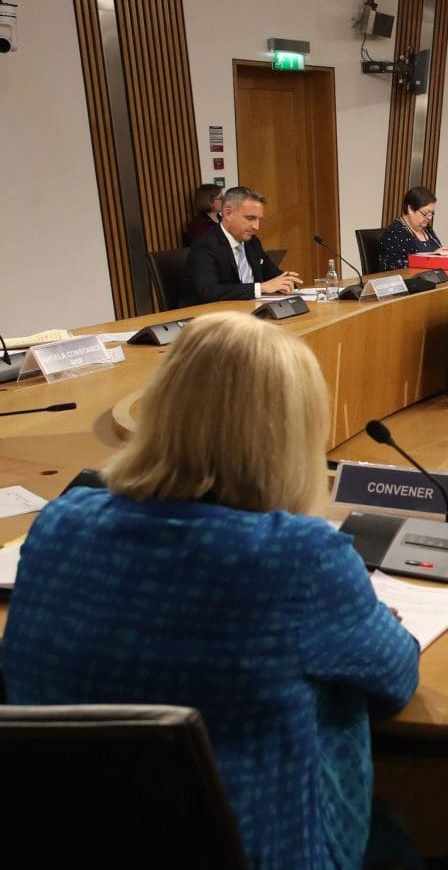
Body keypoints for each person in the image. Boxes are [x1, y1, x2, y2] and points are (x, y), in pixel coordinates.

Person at [0, 312, 421, 869]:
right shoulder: (299, 556)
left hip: (66, 839)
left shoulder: (60, 521)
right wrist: (373, 616)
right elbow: (396, 679)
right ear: (292, 435)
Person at [185, 186, 301, 303]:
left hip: (252, 310)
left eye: (259, 220)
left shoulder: (252, 242)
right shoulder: (205, 246)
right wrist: (260, 288)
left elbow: (272, 275)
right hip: (215, 316)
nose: (256, 227)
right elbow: (208, 291)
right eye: (250, 218)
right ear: (228, 214)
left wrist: (286, 281)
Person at [378, 185, 448, 272]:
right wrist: (431, 257)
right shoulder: (395, 233)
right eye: (425, 213)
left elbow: (438, 254)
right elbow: (395, 268)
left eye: (432, 213)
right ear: (410, 209)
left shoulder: (427, 230)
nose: (429, 217)